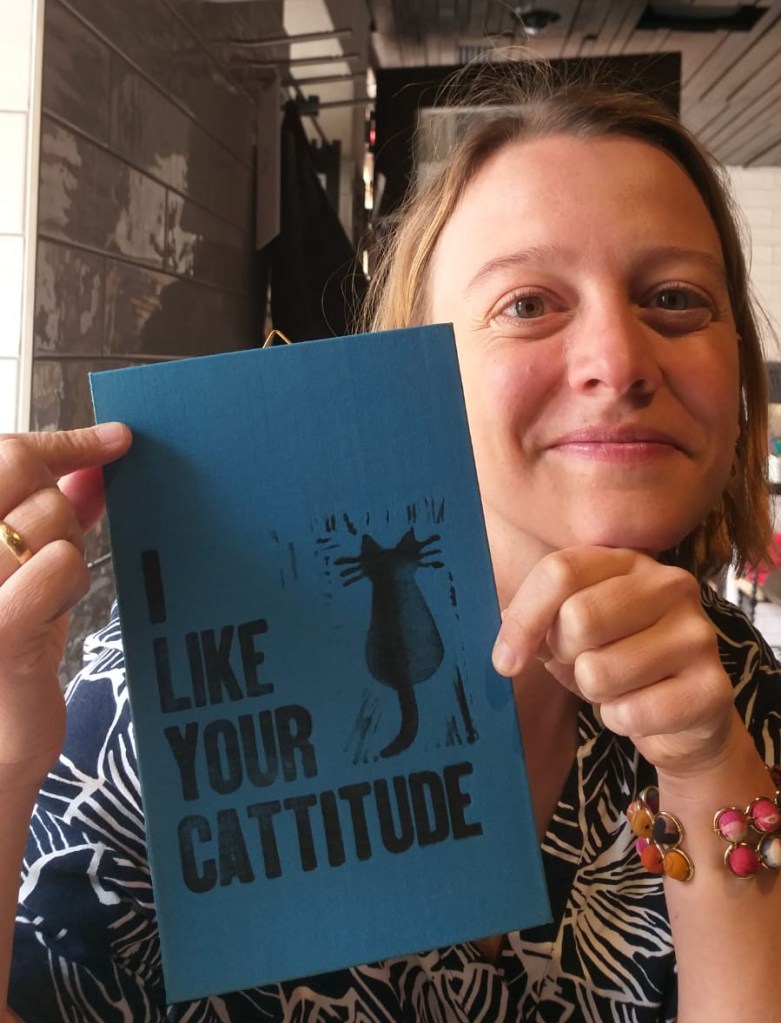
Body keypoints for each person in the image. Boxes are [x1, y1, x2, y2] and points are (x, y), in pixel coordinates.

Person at [2, 61, 781, 1022]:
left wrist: (707, 767)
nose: (619, 362)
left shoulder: (740, 693)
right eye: (527, 304)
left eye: (675, 298)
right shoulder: (163, 697)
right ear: (409, 358)